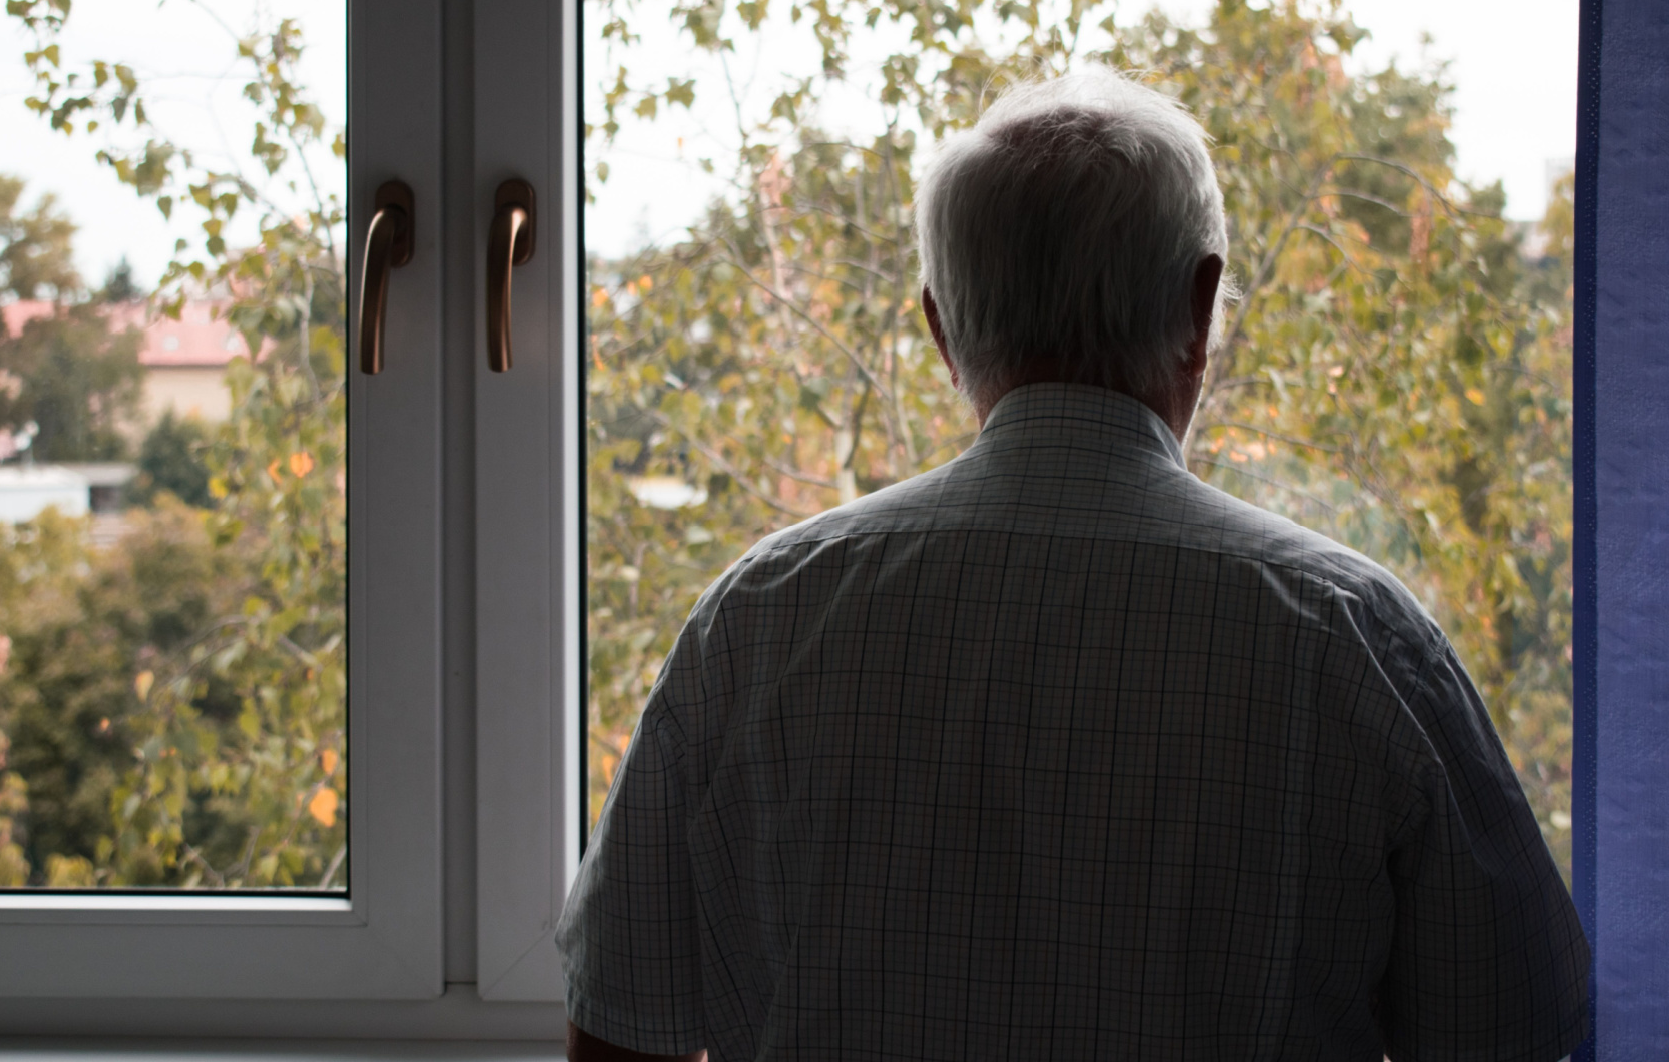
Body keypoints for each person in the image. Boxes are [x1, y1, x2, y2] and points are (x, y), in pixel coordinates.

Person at [557, 70, 1590, 1062]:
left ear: (939, 327)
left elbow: (618, 1027)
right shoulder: (1359, 637)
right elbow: (1506, 1029)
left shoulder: (759, 620)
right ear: (1201, 308)